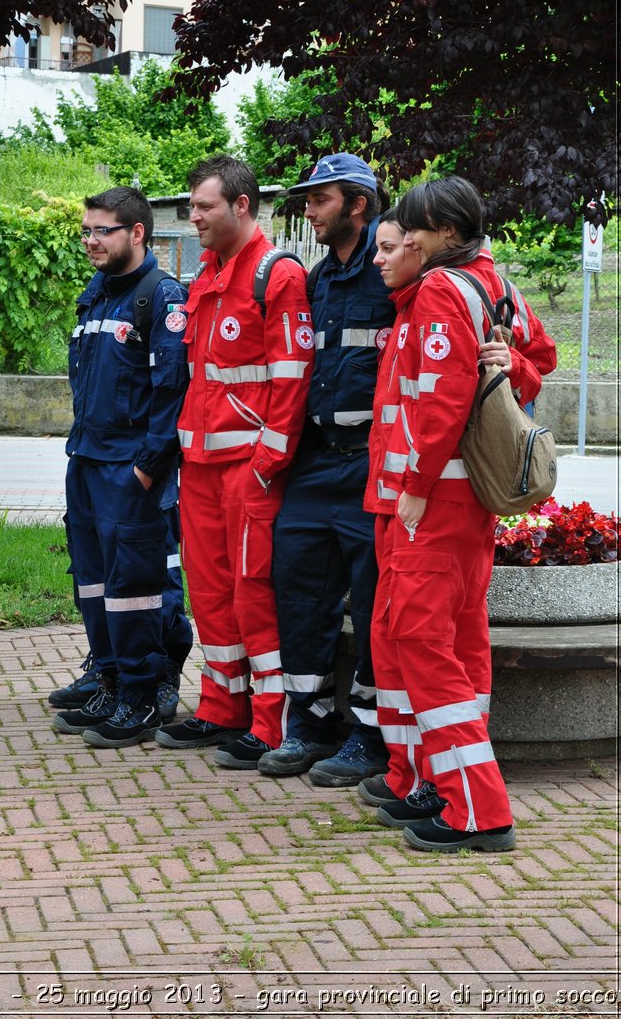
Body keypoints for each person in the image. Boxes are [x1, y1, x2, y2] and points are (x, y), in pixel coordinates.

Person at [360, 177, 556, 852]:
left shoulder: (445, 289)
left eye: (413, 227)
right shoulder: (493, 284)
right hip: (463, 501)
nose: (402, 238)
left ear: (445, 230)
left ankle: (475, 807)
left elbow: (440, 400)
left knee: (419, 639)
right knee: (459, 640)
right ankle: (444, 786)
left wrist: (412, 482)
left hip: (435, 498)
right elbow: (540, 358)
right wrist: (515, 371)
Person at [155, 156, 314, 769]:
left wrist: (265, 466)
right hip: (198, 467)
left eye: (203, 207)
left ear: (241, 206)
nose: (192, 217)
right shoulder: (207, 276)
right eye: (192, 207)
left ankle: (269, 726)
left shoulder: (276, 276)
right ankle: (222, 708)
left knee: (253, 594)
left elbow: (292, 380)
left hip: (250, 470)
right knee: (212, 592)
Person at [257, 154, 395, 787]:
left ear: (357, 205)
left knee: (372, 607)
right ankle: (309, 723)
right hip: (316, 464)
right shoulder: (317, 280)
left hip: (371, 461)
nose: (307, 210)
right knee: (300, 591)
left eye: (319, 199)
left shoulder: (394, 274)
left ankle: (369, 737)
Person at [51, 186, 192, 749]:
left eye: (101, 230)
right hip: (86, 462)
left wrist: (148, 466)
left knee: (136, 587)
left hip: (130, 469)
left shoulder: (160, 297)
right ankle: (108, 682)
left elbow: (173, 391)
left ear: (136, 232)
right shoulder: (97, 296)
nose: (90, 240)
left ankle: (142, 694)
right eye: (86, 230)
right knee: (93, 583)